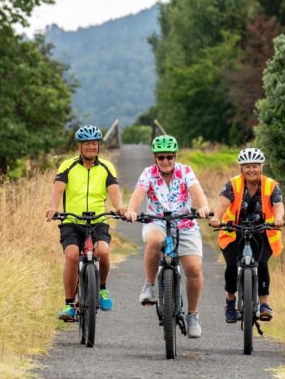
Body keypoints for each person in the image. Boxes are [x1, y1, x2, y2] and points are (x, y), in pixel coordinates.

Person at [124, 135, 210, 338]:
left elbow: (197, 192)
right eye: (161, 157)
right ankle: (149, 286)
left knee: (194, 269)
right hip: (157, 221)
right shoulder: (148, 173)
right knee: (154, 240)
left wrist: (203, 207)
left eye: (169, 157)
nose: (165, 161)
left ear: (175, 156)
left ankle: (192, 315)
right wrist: (131, 210)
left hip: (184, 223)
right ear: (155, 157)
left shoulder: (185, 171)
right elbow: (138, 194)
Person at [46, 125, 126, 321]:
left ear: (98, 145)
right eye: (87, 144)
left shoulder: (106, 167)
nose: (91, 147)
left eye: (94, 143)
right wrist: (53, 208)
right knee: (72, 255)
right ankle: (69, 304)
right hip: (72, 221)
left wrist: (119, 207)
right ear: (79, 146)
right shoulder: (67, 166)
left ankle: (102, 288)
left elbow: (114, 191)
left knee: (103, 252)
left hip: (98, 220)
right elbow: (58, 190)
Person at [209, 148, 285, 322]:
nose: (251, 170)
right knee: (232, 265)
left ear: (261, 167)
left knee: (262, 263)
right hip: (234, 231)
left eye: (255, 166)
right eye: (247, 166)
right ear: (241, 168)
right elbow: (222, 204)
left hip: (262, 231)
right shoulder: (233, 184)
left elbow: (278, 205)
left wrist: (279, 218)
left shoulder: (271, 185)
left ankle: (264, 305)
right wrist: (216, 218)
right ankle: (230, 302)